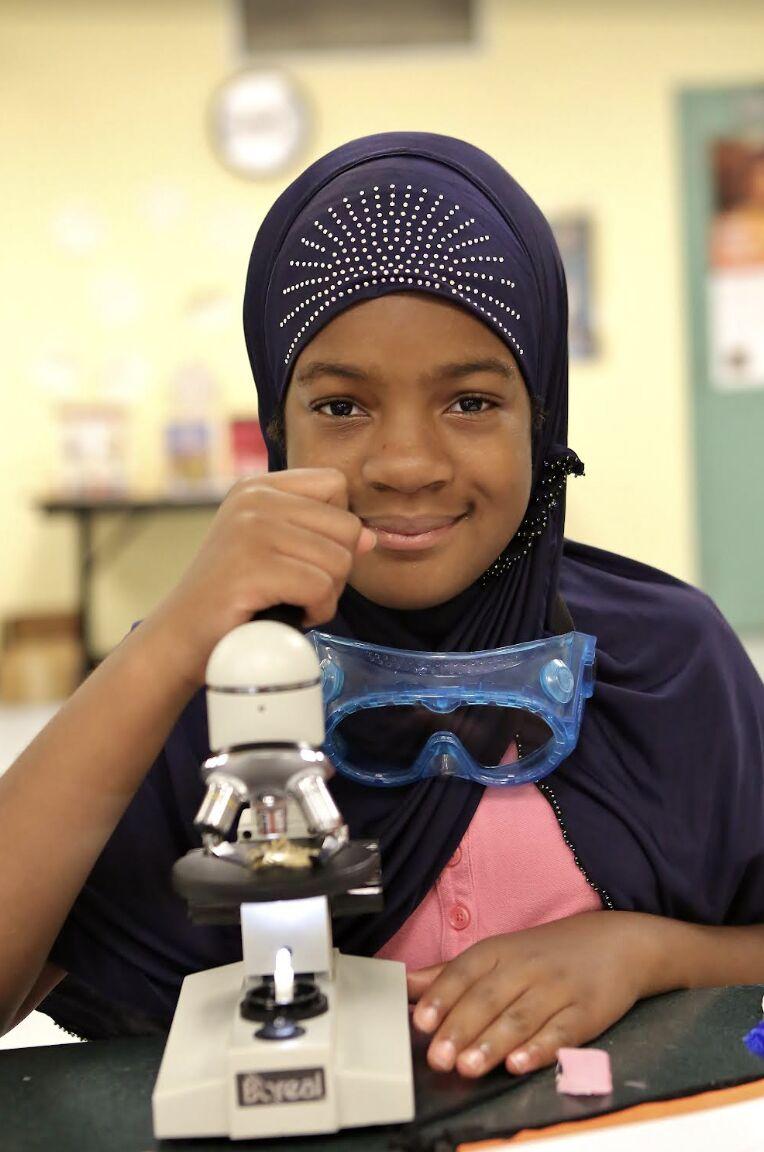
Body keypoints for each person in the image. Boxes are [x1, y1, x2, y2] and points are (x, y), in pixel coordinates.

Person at [1, 132, 763, 1082]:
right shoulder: (207, 682)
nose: (406, 465)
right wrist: (169, 646)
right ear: (278, 426)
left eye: (473, 402)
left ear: (546, 420)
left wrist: (648, 952)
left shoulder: (669, 659)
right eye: (342, 407)